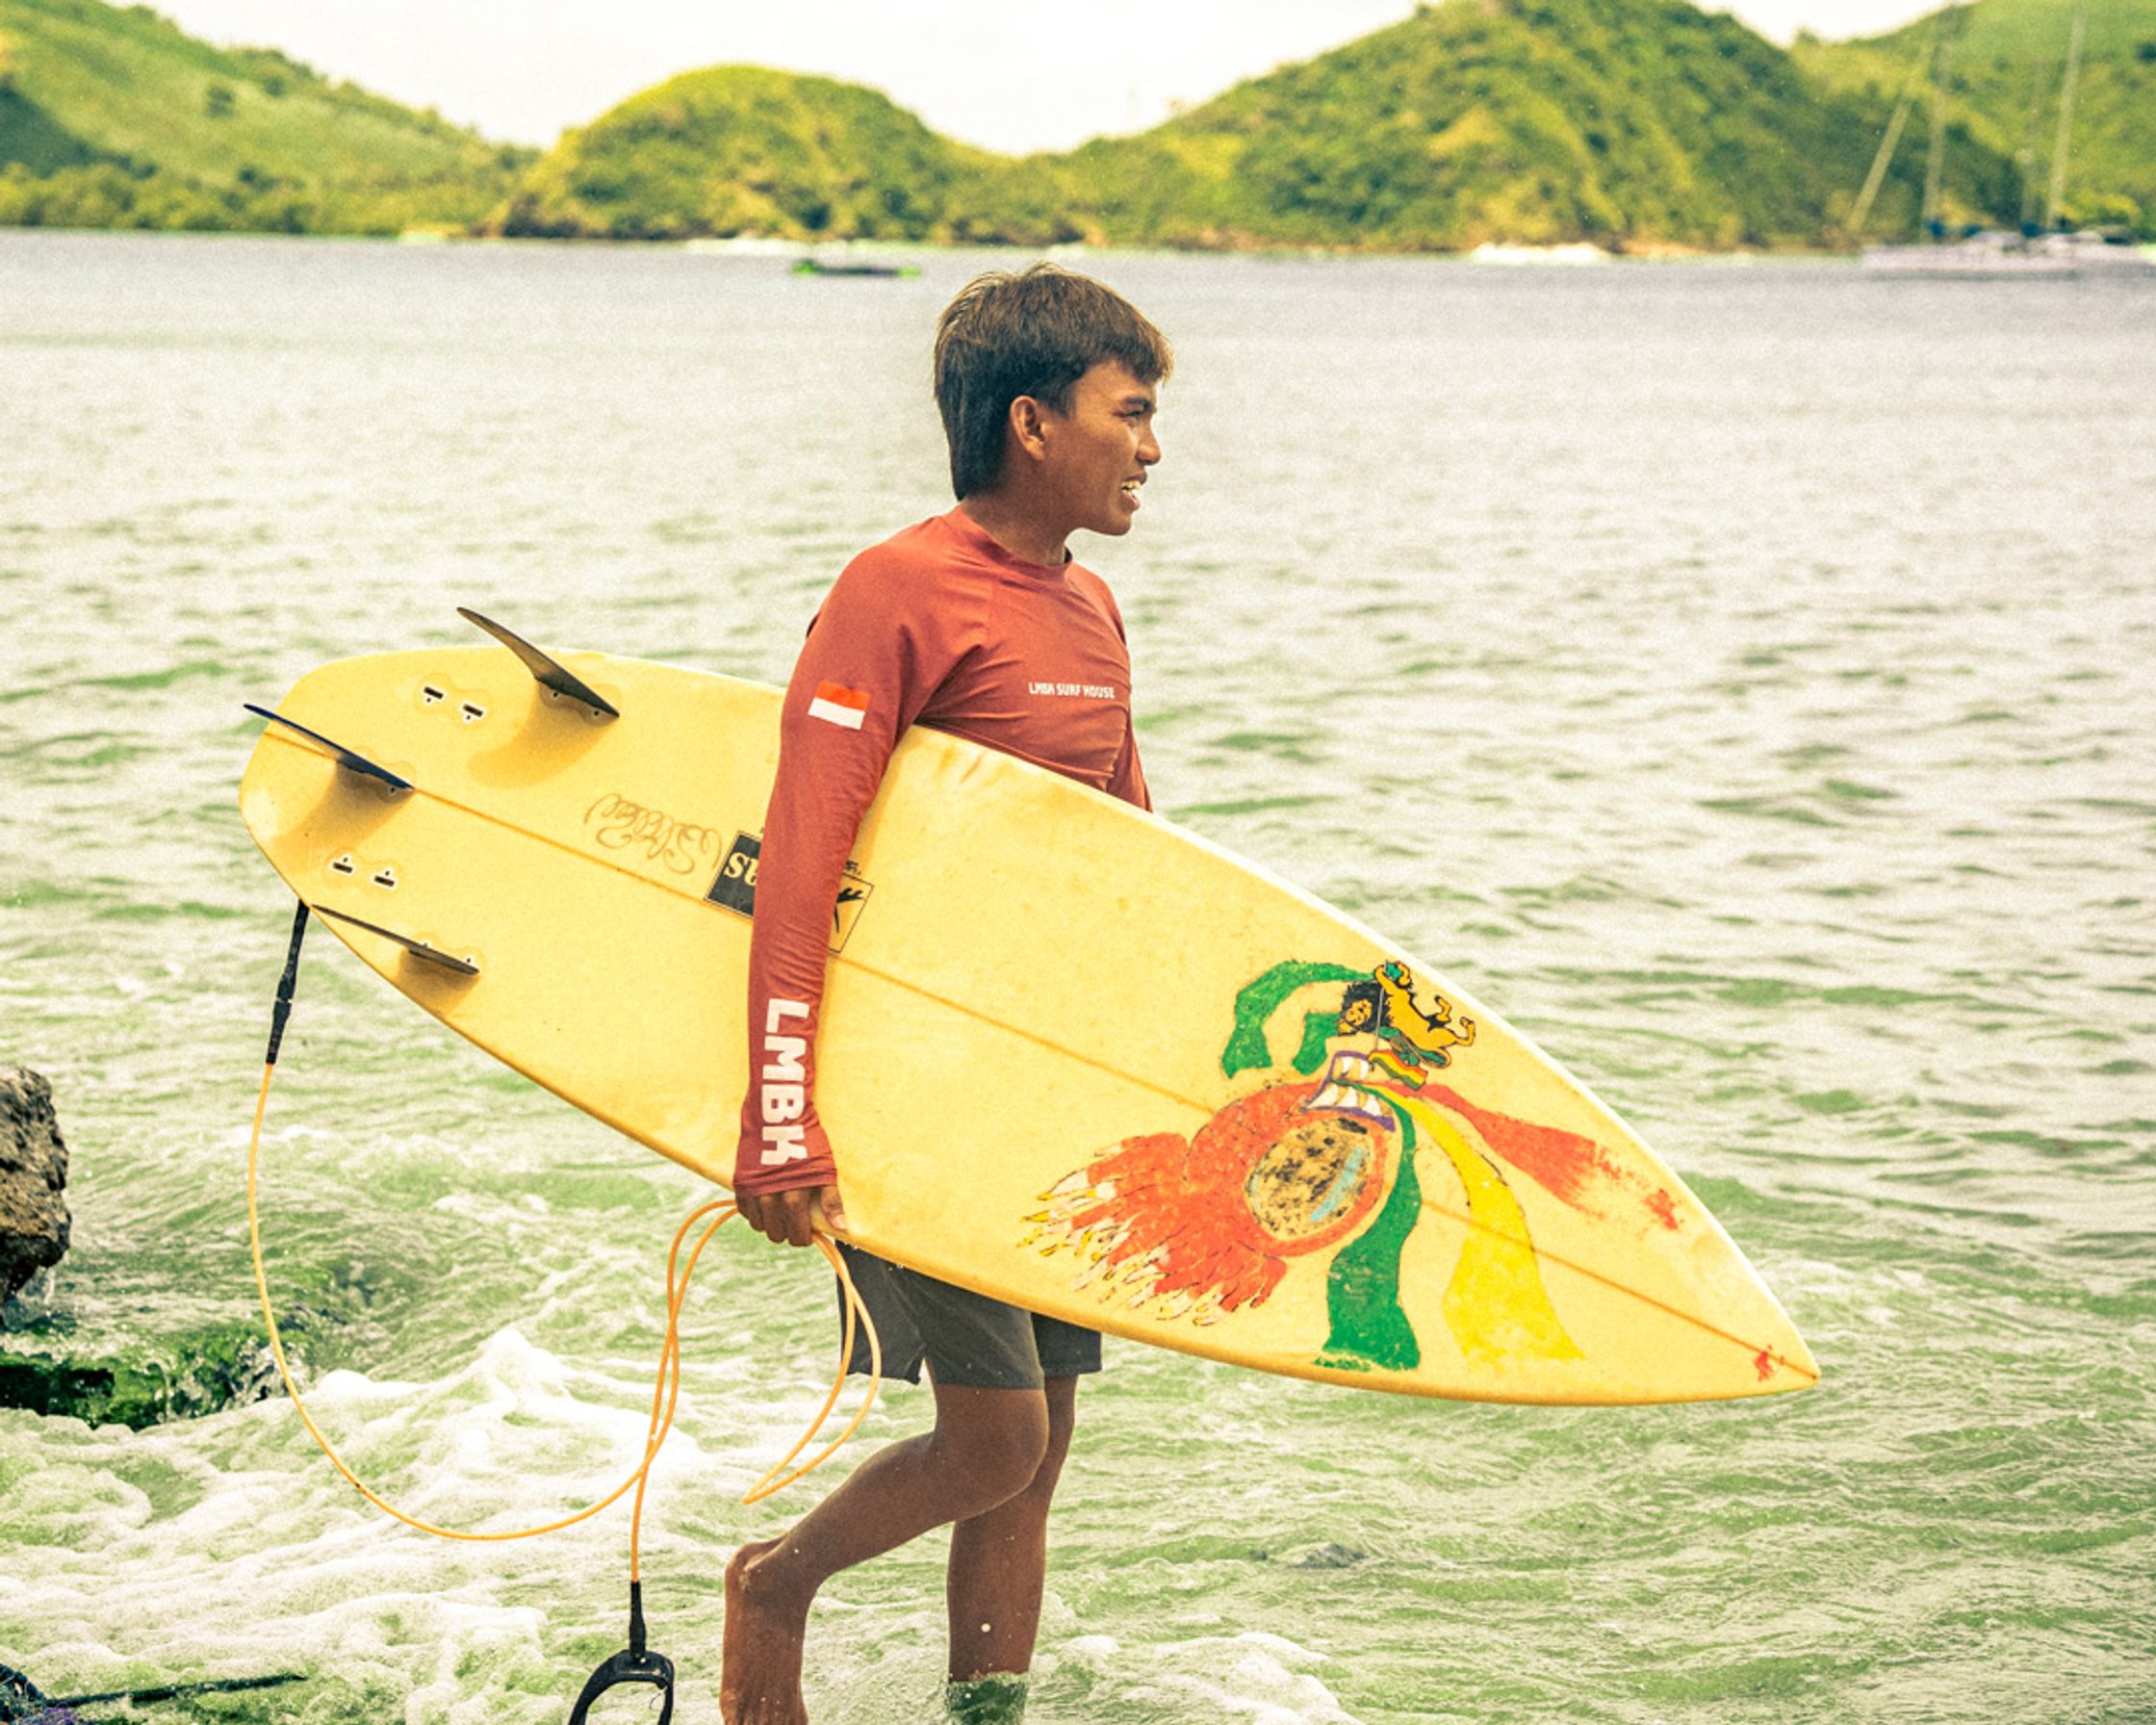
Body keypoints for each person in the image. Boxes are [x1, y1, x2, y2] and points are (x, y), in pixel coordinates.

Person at [721, 264, 1171, 1725]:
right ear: (1034, 424)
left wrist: (1168, 1077)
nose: (1153, 448)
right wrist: (780, 1114)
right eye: (1134, 414)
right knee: (990, 1440)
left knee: (1042, 1449)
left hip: (1036, 1083)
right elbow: (801, 866)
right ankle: (773, 1588)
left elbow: (1135, 868)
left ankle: (989, 1715)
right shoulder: (895, 591)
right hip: (903, 1079)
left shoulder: (1093, 612)